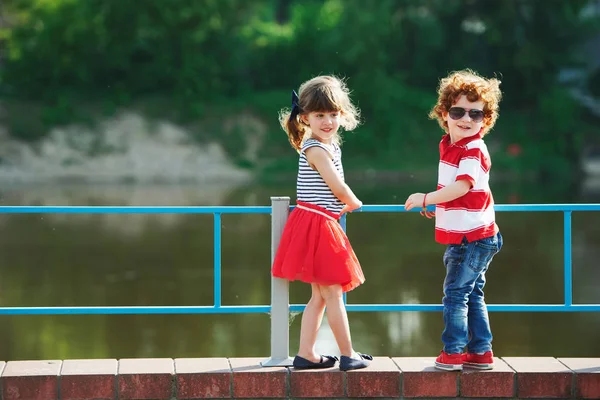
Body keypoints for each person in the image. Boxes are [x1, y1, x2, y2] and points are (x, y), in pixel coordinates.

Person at [404, 69, 503, 371]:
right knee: (471, 293)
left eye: (476, 114)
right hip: (467, 233)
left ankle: (454, 352)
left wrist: (425, 198)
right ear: (444, 113)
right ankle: (481, 352)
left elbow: (462, 186)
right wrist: (439, 204)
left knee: (456, 294)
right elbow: (452, 187)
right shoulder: (449, 144)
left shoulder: (474, 148)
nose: (466, 119)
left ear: (485, 120)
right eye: (458, 111)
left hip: (474, 236)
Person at [272, 75, 372, 372]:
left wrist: (341, 204)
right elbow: (337, 187)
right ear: (305, 118)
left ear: (342, 114)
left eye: (333, 114)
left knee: (319, 295)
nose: (327, 121)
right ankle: (348, 353)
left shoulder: (327, 145)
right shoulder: (315, 148)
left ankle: (306, 355)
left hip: (319, 222)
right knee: (332, 293)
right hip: (317, 225)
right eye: (319, 115)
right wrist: (354, 202)